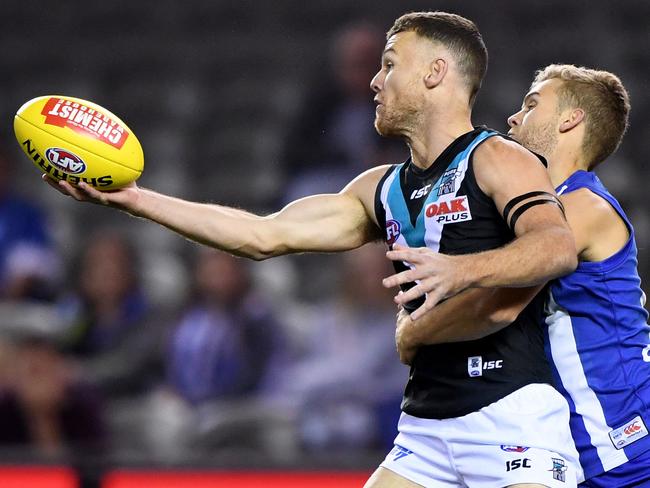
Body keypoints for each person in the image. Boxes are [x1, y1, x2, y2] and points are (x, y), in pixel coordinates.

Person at [43, 11, 579, 487]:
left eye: (390, 64)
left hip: (511, 414)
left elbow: (557, 246)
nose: (375, 79)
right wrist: (135, 199)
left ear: (434, 72)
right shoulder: (380, 188)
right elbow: (262, 235)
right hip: (426, 429)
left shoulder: (497, 158)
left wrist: (461, 270)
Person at [389, 64, 650, 487]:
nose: (513, 117)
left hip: (627, 442)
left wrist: (414, 332)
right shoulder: (534, 212)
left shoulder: (583, 207)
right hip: (576, 448)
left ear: (571, 119)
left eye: (531, 105)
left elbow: (496, 304)